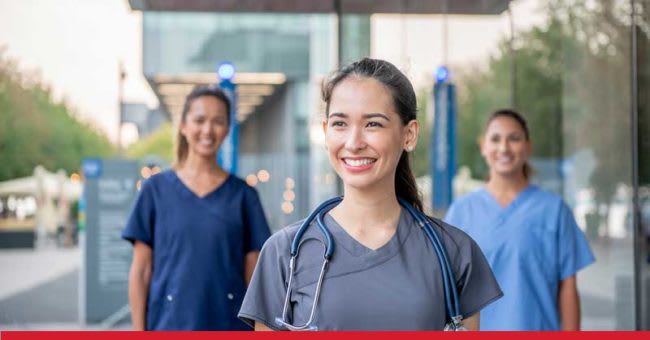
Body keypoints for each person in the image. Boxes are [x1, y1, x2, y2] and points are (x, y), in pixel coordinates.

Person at [238, 58, 502, 331]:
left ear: (409, 135)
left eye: (373, 124)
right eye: (340, 124)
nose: (354, 143)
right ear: (326, 131)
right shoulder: (284, 253)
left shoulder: (454, 252)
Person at [122, 85, 271, 330]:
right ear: (183, 125)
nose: (207, 130)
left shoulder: (244, 197)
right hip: (168, 325)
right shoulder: (155, 190)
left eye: (218, 121)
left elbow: (255, 277)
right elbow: (141, 272)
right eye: (199, 120)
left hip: (229, 325)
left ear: (227, 130)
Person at [444, 109, 595, 331]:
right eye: (495, 139)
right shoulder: (461, 211)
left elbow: (568, 288)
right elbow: (447, 290)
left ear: (528, 147)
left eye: (514, 138)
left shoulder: (554, 210)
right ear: (483, 146)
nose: (504, 148)